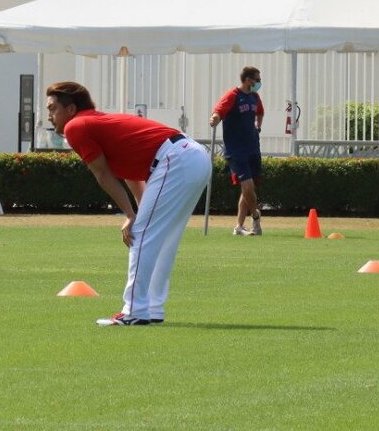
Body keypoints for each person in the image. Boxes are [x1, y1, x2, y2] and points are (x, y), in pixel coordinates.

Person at [45, 80, 212, 326]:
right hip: (193, 156)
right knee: (162, 239)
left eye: (52, 108)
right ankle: (151, 308)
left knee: (142, 234)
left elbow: (102, 174)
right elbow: (130, 174)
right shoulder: (95, 121)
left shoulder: (77, 125)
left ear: (70, 110)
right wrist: (136, 213)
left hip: (175, 159)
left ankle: (134, 311)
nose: (49, 115)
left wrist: (132, 216)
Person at [209, 66, 264, 235]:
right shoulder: (232, 96)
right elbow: (218, 111)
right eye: (257, 79)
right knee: (247, 187)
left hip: (253, 147)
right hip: (236, 150)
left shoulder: (255, 97)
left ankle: (239, 227)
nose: (259, 83)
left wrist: (258, 127)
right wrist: (214, 119)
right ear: (248, 80)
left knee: (249, 189)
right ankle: (255, 216)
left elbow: (260, 112)